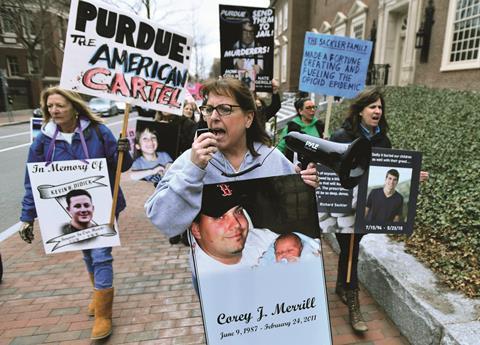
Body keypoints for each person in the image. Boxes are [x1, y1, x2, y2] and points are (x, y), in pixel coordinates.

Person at [145, 77, 318, 248]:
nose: (213, 117)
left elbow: (296, 218)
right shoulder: (191, 160)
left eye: (224, 109)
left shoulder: (272, 159)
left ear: (248, 118)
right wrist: (193, 170)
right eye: (208, 109)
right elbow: (163, 221)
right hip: (215, 271)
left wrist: (304, 187)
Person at [18, 87, 132, 340]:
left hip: (104, 204)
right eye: (50, 107)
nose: (54, 111)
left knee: (101, 252)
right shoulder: (42, 140)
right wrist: (27, 217)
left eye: (60, 105)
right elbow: (31, 181)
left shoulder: (99, 132)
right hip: (70, 209)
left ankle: (104, 314)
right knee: (87, 251)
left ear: (74, 106)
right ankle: (97, 293)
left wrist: (124, 150)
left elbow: (120, 166)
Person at [330, 87, 428, 333]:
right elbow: (328, 167)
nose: (377, 111)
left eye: (380, 107)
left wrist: (414, 175)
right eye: (372, 106)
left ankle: (342, 285)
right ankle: (354, 303)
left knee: (350, 247)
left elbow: (391, 168)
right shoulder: (341, 136)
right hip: (344, 204)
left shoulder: (383, 140)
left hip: (367, 207)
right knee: (351, 247)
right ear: (360, 110)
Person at [191, 183, 277, 274]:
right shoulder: (201, 275)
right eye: (220, 217)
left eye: (239, 211)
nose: (236, 224)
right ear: (196, 230)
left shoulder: (264, 239)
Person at [277, 98, 325, 164]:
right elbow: (280, 147)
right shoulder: (291, 127)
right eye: (308, 108)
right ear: (300, 111)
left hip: (317, 166)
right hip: (296, 167)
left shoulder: (319, 125)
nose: (312, 110)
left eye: (314, 107)